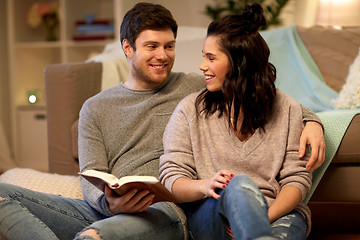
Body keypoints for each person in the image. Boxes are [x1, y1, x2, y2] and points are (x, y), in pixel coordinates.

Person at [0, 2, 322, 240]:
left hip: (165, 209)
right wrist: (108, 202)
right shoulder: (95, 108)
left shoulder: (196, 88)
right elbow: (90, 174)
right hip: (110, 208)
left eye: (169, 46)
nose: (163, 55)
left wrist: (313, 122)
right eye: (152, 46)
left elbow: (260, 92)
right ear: (127, 48)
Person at [159, 4, 313, 240]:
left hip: (277, 213)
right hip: (212, 214)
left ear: (239, 63)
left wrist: (265, 217)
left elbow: (297, 179)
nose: (202, 66)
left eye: (211, 58)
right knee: (238, 184)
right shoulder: (190, 110)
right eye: (204, 57)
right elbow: (171, 177)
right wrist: (205, 185)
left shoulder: (288, 109)